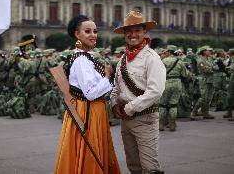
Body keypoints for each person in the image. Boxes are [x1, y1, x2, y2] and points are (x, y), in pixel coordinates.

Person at [54, 15, 121, 174]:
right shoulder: (81, 61)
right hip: (88, 111)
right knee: (90, 153)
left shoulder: (86, 57)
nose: (93, 35)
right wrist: (107, 77)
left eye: (95, 31)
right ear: (77, 34)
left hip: (91, 110)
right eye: (88, 31)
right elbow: (91, 93)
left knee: (92, 151)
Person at [110, 11, 166, 174]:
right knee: (133, 166)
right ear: (125, 34)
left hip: (145, 118)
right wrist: (114, 103)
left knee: (149, 167)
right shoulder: (123, 58)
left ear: (144, 32)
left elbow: (155, 91)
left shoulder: (152, 58)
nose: (133, 34)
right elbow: (116, 85)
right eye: (129, 31)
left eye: (137, 30)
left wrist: (130, 108)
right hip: (125, 119)